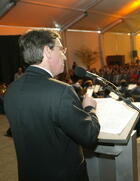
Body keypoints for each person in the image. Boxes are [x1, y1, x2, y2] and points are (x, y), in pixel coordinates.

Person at [4, 29, 100, 181]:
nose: (64, 55)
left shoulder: (11, 90)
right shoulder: (61, 91)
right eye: (61, 49)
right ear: (47, 51)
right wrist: (90, 108)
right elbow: (89, 136)